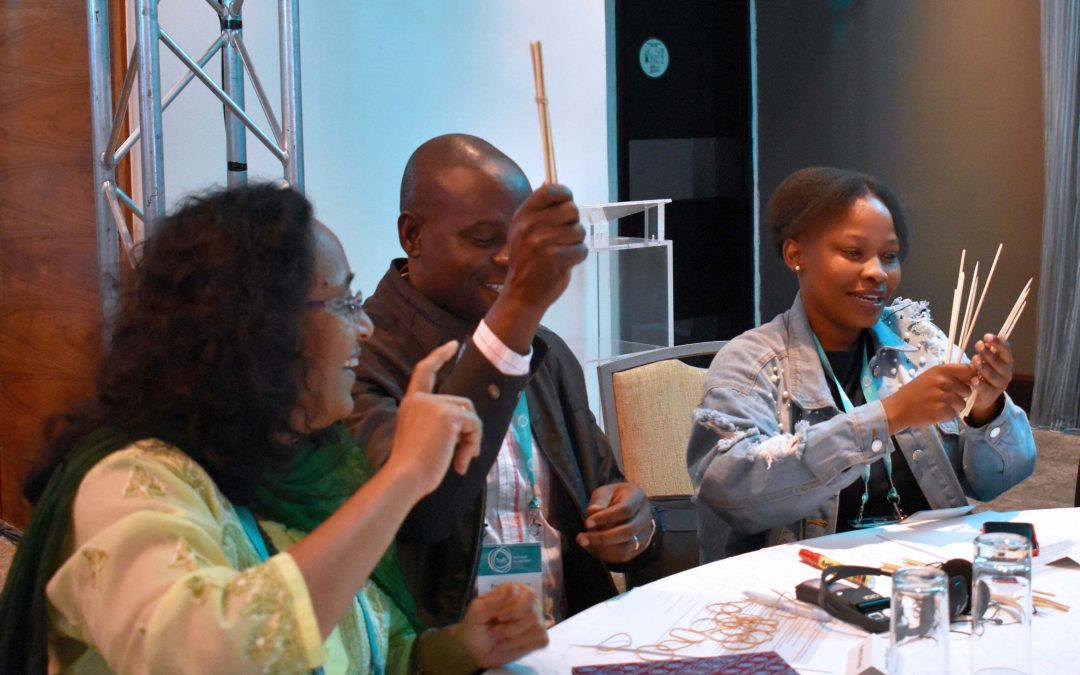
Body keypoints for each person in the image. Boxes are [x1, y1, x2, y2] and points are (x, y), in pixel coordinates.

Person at [0, 184, 547, 674]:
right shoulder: (128, 485)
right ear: (260, 326)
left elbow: (373, 653)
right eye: (343, 302)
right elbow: (209, 657)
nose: (365, 325)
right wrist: (403, 474)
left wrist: (459, 649)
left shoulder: (300, 466)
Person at [350, 134, 659, 628]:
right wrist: (516, 314)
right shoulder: (362, 357)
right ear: (412, 235)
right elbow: (422, 515)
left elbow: (610, 494)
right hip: (440, 657)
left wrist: (634, 530)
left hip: (563, 640)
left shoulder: (546, 353)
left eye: (518, 241)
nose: (507, 260)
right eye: (483, 240)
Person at [687, 167, 1037, 562]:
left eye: (889, 256)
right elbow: (732, 490)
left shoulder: (918, 342)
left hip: (921, 573)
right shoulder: (752, 363)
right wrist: (888, 416)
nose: (876, 272)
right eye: (853, 253)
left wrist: (986, 411)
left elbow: (997, 482)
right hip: (803, 586)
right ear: (795, 254)